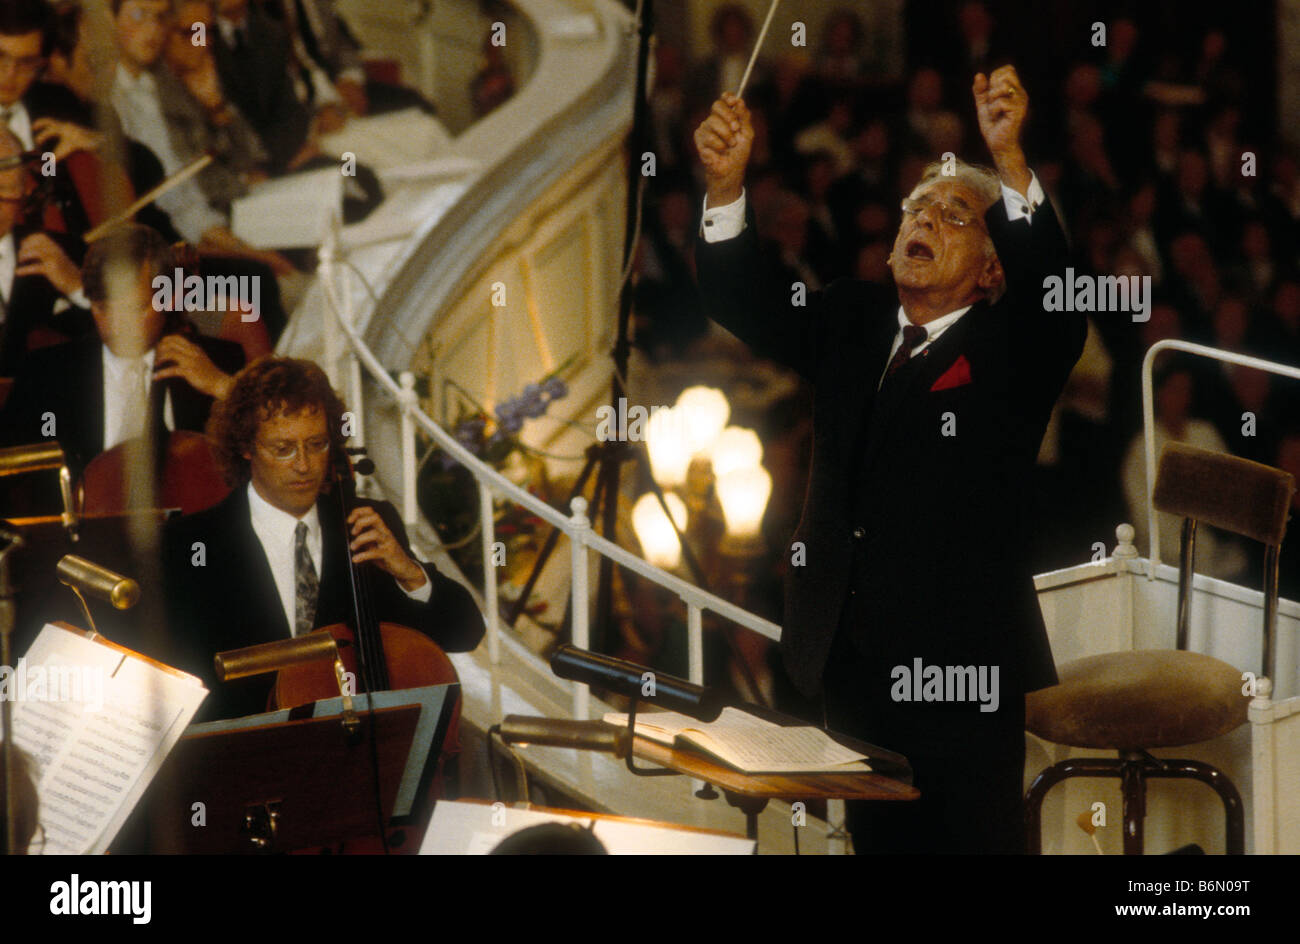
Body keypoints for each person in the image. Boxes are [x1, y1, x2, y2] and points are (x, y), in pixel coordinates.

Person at [693, 66, 1086, 853]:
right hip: (846, 650)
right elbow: (745, 303)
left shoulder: (1015, 347)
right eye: (920, 206)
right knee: (876, 845)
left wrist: (1008, 163)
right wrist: (728, 187)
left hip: (962, 668)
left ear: (992, 266)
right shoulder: (851, 316)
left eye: (955, 215)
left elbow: (1059, 295)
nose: (928, 218)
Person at [160, 356, 484, 721]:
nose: (304, 465)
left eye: (317, 445)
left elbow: (466, 633)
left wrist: (409, 574)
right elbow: (176, 684)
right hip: (247, 759)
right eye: (283, 449)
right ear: (246, 446)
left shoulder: (366, 524)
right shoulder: (189, 543)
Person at [0, 221, 243, 472]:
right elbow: (12, 476)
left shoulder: (221, 362)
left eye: (135, 309)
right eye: (103, 308)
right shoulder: (44, 372)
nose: (117, 327)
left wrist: (223, 387)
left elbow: (263, 452)